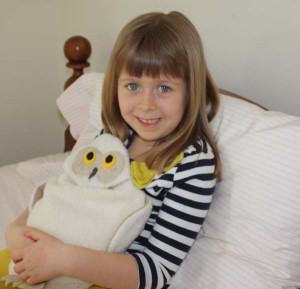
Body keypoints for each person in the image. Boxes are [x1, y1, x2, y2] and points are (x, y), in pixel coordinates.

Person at [3, 11, 221, 289]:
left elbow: (155, 271)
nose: (146, 105)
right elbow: (66, 187)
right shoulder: (115, 134)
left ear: (192, 90)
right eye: (132, 85)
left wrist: (63, 259)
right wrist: (17, 229)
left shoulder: (194, 163)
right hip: (57, 256)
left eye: (164, 88)